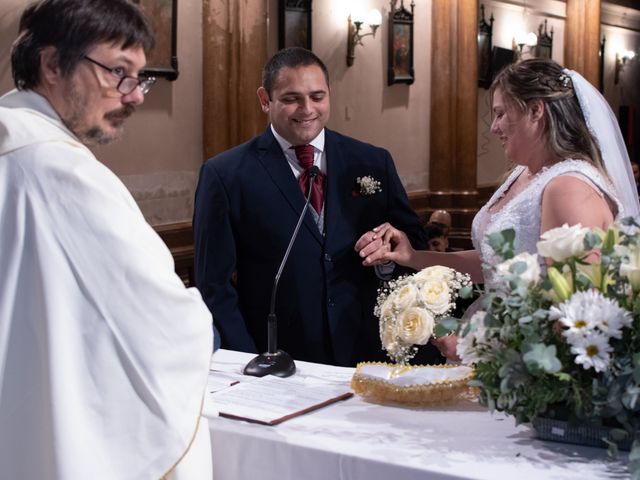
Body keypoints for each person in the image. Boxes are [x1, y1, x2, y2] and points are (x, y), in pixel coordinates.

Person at [0, 1, 213, 478]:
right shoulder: (54, 170)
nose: (135, 96)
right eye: (119, 72)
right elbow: (163, 324)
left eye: (139, 77)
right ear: (53, 65)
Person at [356, 58, 640, 360]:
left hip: (530, 360)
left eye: (500, 114)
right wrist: (414, 256)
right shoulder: (525, 173)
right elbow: (495, 263)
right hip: (498, 337)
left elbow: (579, 312)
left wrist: (478, 347)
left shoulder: (568, 188)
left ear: (536, 111)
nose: (493, 128)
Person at [193, 47, 428, 367]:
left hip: (369, 354)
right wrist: (246, 360)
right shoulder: (225, 175)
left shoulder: (372, 161)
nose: (307, 109)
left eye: (317, 96)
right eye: (291, 99)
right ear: (265, 99)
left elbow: (415, 245)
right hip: (279, 360)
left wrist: (389, 248)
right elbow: (214, 285)